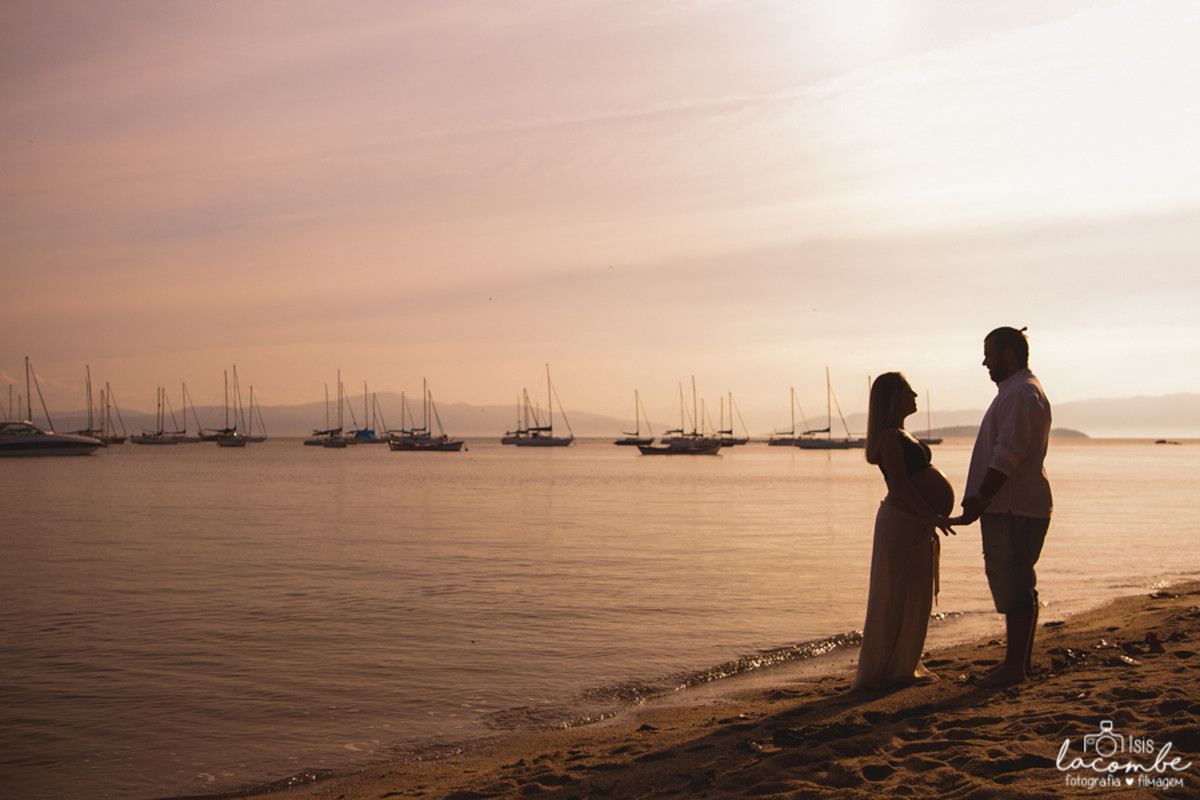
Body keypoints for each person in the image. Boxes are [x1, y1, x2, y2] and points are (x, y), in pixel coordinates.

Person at [947, 326, 1052, 687]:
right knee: (1019, 585)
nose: (984, 362)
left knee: (1015, 586)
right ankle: (1018, 665)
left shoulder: (1021, 394)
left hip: (1012, 508)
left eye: (988, 354)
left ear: (1009, 354)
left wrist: (979, 499)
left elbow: (1007, 455)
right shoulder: (1019, 391)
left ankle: (1014, 668)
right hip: (1014, 507)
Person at [852, 372, 956, 691]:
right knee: (896, 594)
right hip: (901, 521)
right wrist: (933, 517)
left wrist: (930, 518)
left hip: (913, 522)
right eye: (907, 390)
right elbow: (900, 485)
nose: (914, 395)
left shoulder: (901, 433)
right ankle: (890, 668)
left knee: (916, 595)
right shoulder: (889, 436)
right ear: (892, 398)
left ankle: (903, 665)